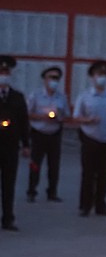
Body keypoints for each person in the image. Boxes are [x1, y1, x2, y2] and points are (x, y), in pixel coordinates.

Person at [72, 60, 106, 218]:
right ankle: (85, 205)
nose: (102, 78)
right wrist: (88, 120)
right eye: (99, 74)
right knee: (88, 173)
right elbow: (76, 117)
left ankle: (101, 205)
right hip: (90, 137)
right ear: (92, 77)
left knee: (104, 174)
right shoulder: (85, 96)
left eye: (104, 75)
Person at [26, 66, 70, 203]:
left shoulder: (61, 97)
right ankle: (32, 191)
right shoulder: (36, 95)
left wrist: (59, 116)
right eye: (51, 77)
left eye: (56, 78)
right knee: (35, 163)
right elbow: (27, 114)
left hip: (55, 133)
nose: (53, 80)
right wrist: (42, 117)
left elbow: (67, 115)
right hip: (38, 133)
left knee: (54, 164)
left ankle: (52, 192)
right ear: (45, 79)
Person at [0, 56, 30, 231]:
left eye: (6, 72)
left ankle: (8, 217)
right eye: (1, 72)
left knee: (8, 184)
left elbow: (23, 121)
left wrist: (26, 144)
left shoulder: (17, 97)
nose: (4, 75)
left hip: (10, 147)